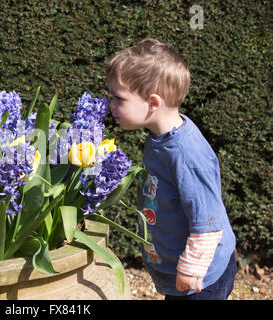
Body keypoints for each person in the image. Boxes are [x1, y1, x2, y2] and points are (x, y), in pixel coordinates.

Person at [105, 38, 237, 300]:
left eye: (118, 98)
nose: (110, 105)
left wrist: (191, 269)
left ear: (153, 103)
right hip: (181, 273)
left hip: (201, 279)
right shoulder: (160, 137)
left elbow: (207, 221)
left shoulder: (185, 153)